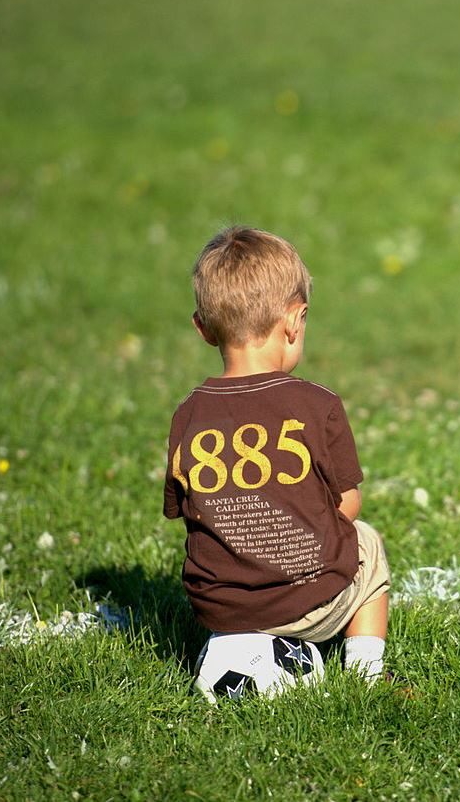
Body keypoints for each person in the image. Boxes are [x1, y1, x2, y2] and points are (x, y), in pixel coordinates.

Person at [163, 226, 389, 683]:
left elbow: (185, 511)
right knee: (367, 541)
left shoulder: (188, 414)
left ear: (203, 329)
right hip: (306, 603)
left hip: (219, 609)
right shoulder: (318, 406)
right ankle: (368, 675)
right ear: (294, 320)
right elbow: (348, 504)